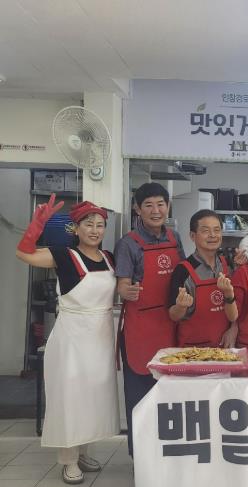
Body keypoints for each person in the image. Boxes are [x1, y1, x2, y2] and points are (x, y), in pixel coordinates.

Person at [16, 196, 119, 484]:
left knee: (93, 398)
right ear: (76, 228)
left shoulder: (109, 258)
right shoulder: (63, 255)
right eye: (89, 224)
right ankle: (68, 460)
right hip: (72, 339)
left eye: (100, 225)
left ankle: (83, 452)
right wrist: (36, 226)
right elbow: (24, 254)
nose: (95, 230)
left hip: (100, 337)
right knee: (71, 398)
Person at [114, 182, 185, 457]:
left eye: (160, 204)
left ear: (168, 206)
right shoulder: (128, 243)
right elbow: (122, 284)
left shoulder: (175, 237)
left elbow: (184, 274)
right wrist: (126, 291)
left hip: (171, 324)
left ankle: (166, 456)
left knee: (169, 397)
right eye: (148, 205)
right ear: (137, 209)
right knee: (140, 398)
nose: (156, 211)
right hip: (140, 329)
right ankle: (141, 458)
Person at [168, 210, 238, 348]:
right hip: (192, 350)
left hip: (224, 348)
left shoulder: (228, 265)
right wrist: (181, 306)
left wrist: (233, 328)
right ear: (192, 236)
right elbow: (173, 315)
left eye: (217, 230)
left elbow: (236, 308)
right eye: (205, 231)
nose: (212, 235)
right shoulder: (183, 270)